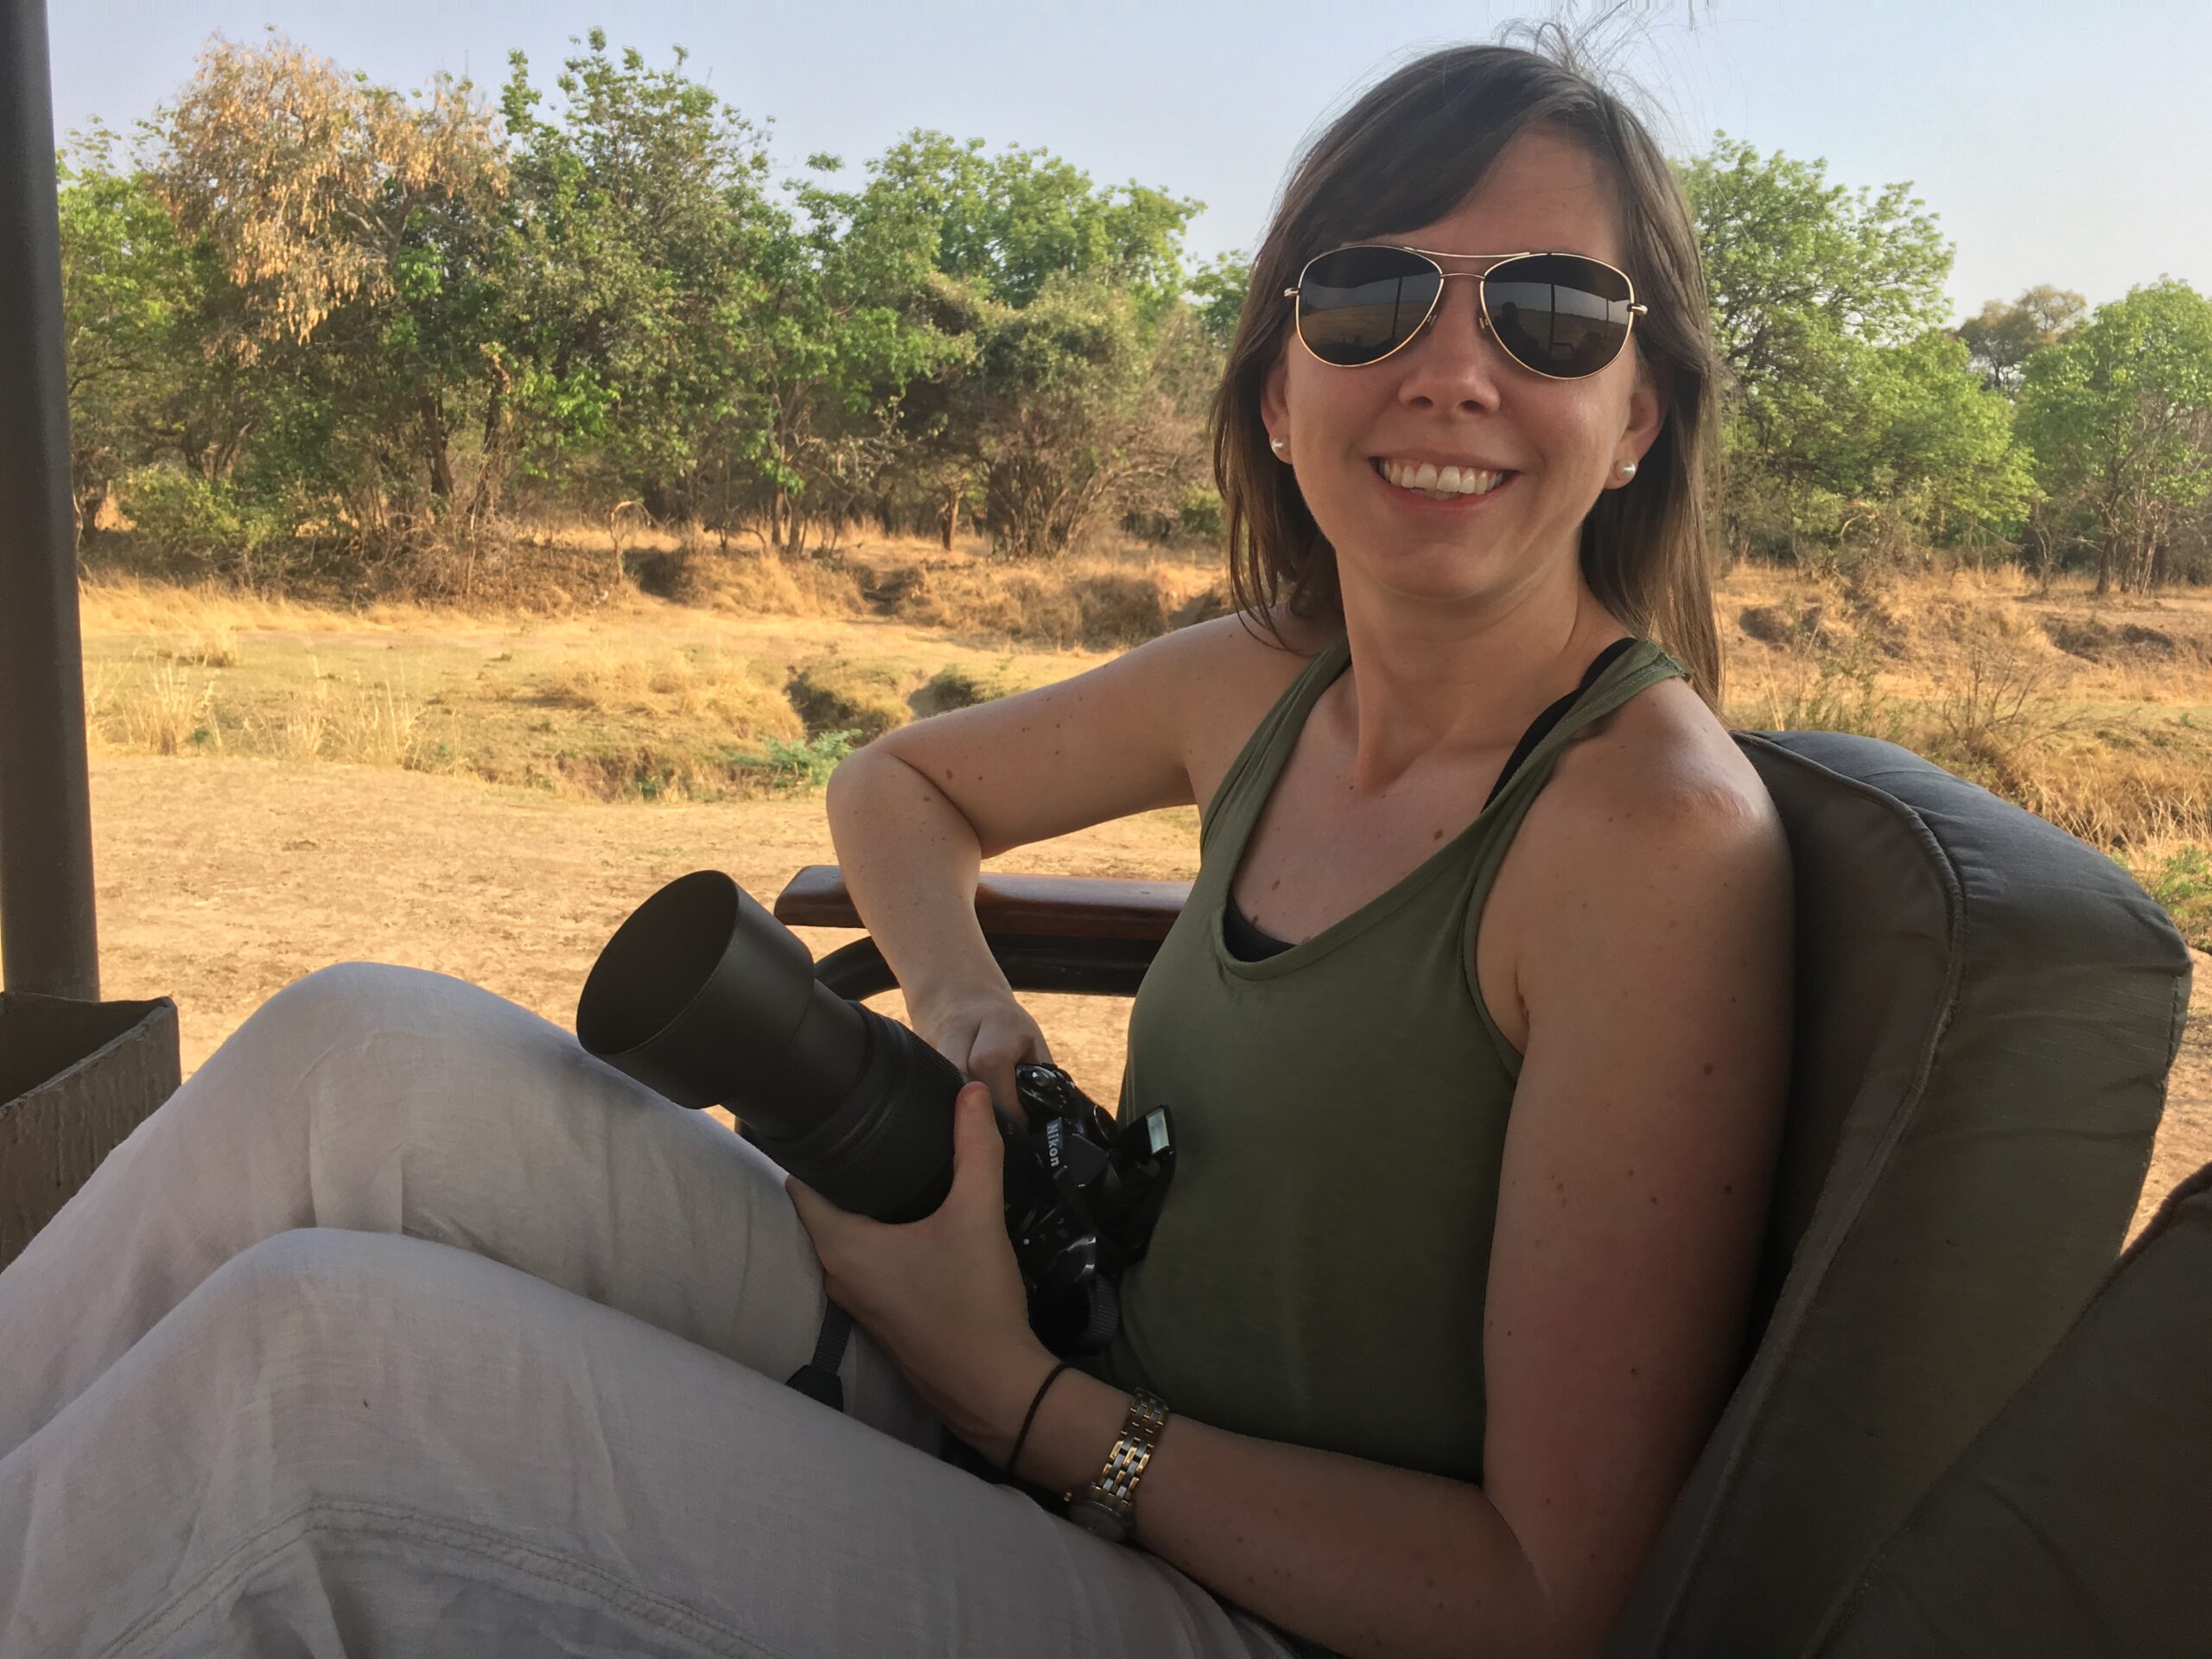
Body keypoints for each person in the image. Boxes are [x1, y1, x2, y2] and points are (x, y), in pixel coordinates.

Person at [0, 39, 1790, 1659]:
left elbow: (1545, 1602)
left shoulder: (1640, 841)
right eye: (1370, 296)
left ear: (1636, 412)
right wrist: (961, 1005)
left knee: (309, 1385)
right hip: (1062, 1369)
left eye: (1552, 309)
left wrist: (1008, 1397)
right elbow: (894, 788)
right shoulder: (1266, 681)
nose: (1451, 368)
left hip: (1237, 1586)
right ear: (1273, 386)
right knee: (353, 1057)